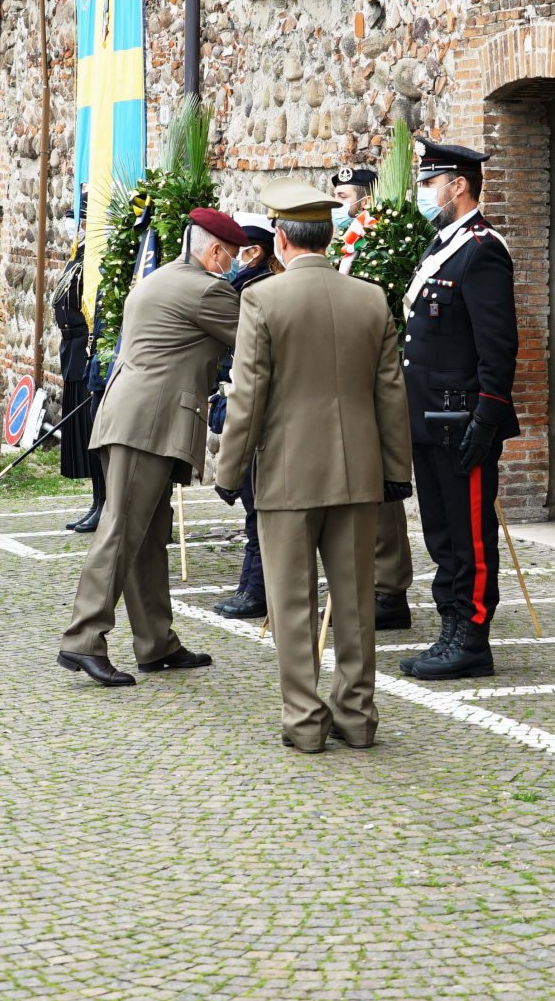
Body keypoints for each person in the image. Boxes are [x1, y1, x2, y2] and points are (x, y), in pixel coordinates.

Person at [216, 182, 412, 752]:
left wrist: (229, 473)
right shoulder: (371, 297)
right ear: (328, 236)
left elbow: (248, 396)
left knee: (292, 602)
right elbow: (390, 395)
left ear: (280, 238)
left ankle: (304, 721)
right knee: (354, 601)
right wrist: (396, 471)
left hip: (287, 471)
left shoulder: (263, 300)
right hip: (357, 470)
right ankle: (357, 716)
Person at [55, 207, 243, 687]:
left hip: (131, 415)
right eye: (233, 255)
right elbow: (257, 339)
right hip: (149, 424)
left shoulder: (161, 278)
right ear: (215, 251)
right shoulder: (206, 289)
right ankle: (83, 640)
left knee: (148, 537)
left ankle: (155, 642)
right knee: (121, 532)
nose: (235, 264)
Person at [399, 139, 519, 681]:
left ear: (458, 186)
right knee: (441, 533)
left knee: (470, 535)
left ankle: (472, 637)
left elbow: (499, 345)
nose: (424, 193)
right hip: (428, 416)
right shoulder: (441, 246)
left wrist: (488, 416)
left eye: (429, 183)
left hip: (463, 418)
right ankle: (450, 626)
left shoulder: (482, 249)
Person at [329, 161, 419, 630]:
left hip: (381, 374)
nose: (342, 207)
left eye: (347, 199)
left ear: (367, 198)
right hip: (345, 376)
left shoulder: (388, 240)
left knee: (383, 485)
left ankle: (389, 589)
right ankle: (361, 579)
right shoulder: (346, 242)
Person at [209, 214, 282, 620]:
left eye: (245, 251)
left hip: (257, 406)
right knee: (254, 503)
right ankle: (253, 584)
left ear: (258, 251)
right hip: (239, 396)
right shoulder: (242, 285)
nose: (238, 258)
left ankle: (257, 588)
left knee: (258, 504)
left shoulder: (258, 288)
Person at [52, 212, 105, 533]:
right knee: (84, 437)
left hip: (86, 352)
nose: (74, 224)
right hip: (72, 353)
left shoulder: (97, 257)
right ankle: (96, 502)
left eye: (80, 217)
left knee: (95, 434)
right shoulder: (79, 253)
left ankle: (104, 504)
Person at [330, 163, 377, 273]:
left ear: (365, 202)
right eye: (334, 196)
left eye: (342, 197)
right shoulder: (347, 238)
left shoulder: (375, 239)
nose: (335, 202)